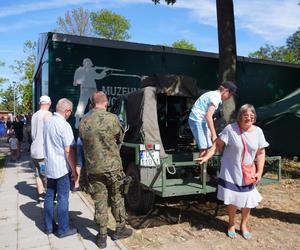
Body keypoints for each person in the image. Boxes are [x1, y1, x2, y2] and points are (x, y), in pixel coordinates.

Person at [197, 104, 269, 240]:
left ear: (254, 117)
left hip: (248, 172)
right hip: (231, 170)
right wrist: (207, 156)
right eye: (245, 115)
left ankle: (244, 225)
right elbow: (218, 145)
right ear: (240, 117)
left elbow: (260, 152)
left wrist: (259, 172)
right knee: (233, 199)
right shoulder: (230, 129)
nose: (249, 118)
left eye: (251, 116)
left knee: (248, 200)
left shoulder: (258, 131)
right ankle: (231, 224)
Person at [79, 91, 132, 249]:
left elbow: (83, 142)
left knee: (100, 200)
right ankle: (120, 229)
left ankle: (102, 236)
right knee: (117, 197)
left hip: (94, 169)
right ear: (106, 102)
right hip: (112, 167)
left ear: (92, 103)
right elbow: (120, 139)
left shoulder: (84, 121)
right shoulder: (112, 119)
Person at [43, 98, 78, 237]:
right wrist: (74, 171)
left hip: (49, 166)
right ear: (67, 111)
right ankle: (63, 229)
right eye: (71, 112)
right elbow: (69, 151)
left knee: (49, 197)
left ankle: (49, 227)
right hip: (61, 168)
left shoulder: (48, 122)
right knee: (63, 198)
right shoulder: (64, 125)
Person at [189, 81, 237, 157]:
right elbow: (208, 116)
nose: (230, 97)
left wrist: (208, 130)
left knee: (209, 147)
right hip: (197, 120)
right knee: (204, 148)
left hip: (201, 120)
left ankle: (203, 168)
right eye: (230, 95)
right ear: (226, 91)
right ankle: (202, 169)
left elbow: (207, 115)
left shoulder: (213, 94)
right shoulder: (216, 97)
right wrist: (214, 135)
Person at [31, 96, 52, 202]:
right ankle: (50, 195)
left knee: (38, 174)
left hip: (34, 150)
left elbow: (32, 134)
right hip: (43, 151)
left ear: (40, 103)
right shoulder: (48, 115)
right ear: (49, 103)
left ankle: (41, 194)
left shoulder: (34, 115)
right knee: (47, 175)